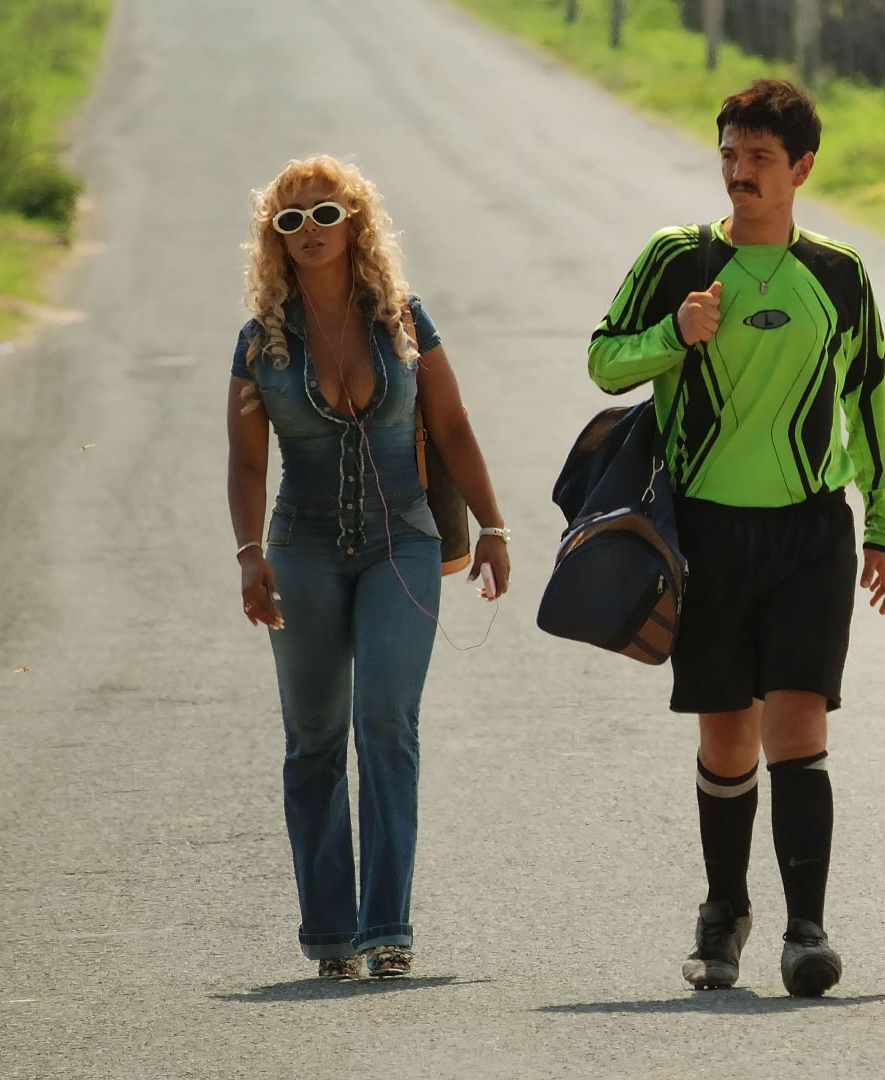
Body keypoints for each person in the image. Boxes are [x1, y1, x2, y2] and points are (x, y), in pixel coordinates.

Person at [585, 80, 885, 996]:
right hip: (708, 533)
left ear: (802, 167)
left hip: (811, 532)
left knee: (798, 726)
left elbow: (872, 398)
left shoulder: (839, 273)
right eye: (730, 154)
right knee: (728, 739)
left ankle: (807, 930)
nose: (740, 173)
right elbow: (605, 357)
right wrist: (674, 334)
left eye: (760, 158)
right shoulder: (676, 257)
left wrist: (883, 527)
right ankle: (723, 913)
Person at [225, 155, 511, 980]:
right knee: (313, 740)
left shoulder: (402, 318)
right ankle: (330, 937)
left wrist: (492, 525)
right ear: (274, 241)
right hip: (302, 547)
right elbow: (246, 466)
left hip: (404, 545)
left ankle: (388, 927)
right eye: (290, 220)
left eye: (325, 213)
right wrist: (251, 556)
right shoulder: (260, 340)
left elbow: (451, 426)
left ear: (355, 221)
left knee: (386, 722)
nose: (309, 230)